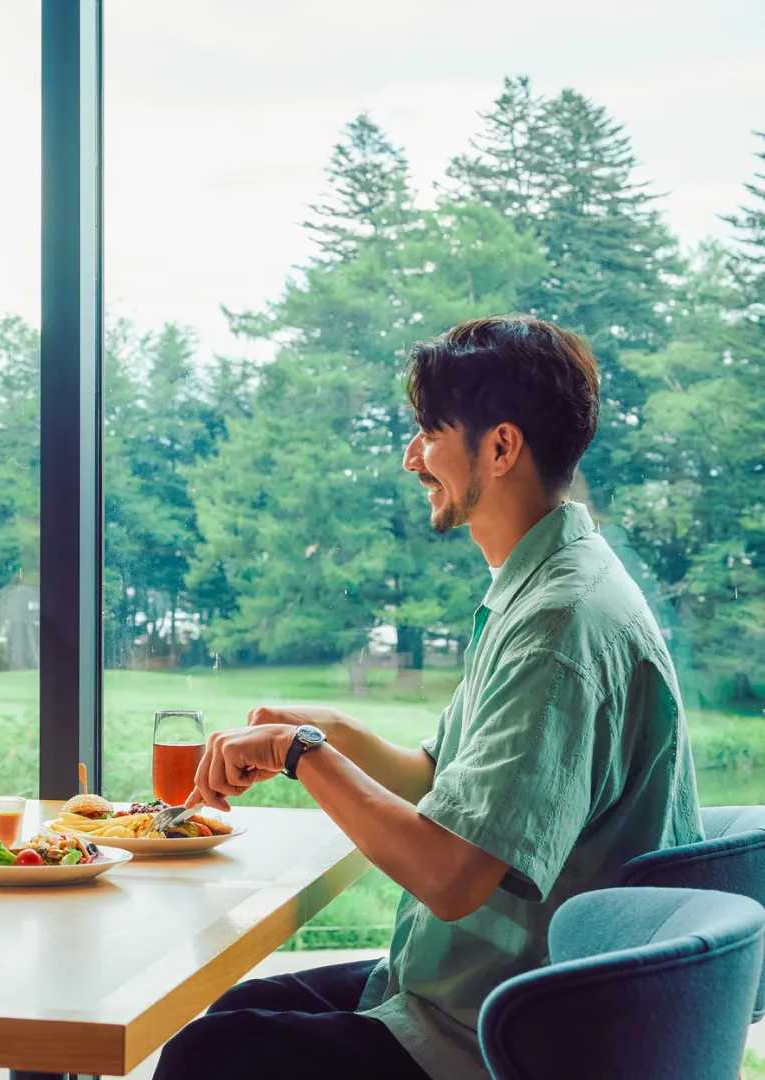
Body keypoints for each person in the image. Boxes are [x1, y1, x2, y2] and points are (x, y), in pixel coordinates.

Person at [158, 314, 702, 1080]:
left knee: (209, 1057)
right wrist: (334, 729)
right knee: (224, 1021)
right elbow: (440, 783)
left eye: (429, 431)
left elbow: (450, 877)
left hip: (509, 1035)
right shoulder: (544, 585)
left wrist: (298, 755)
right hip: (464, 996)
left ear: (501, 447)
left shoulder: (558, 624)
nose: (413, 457)